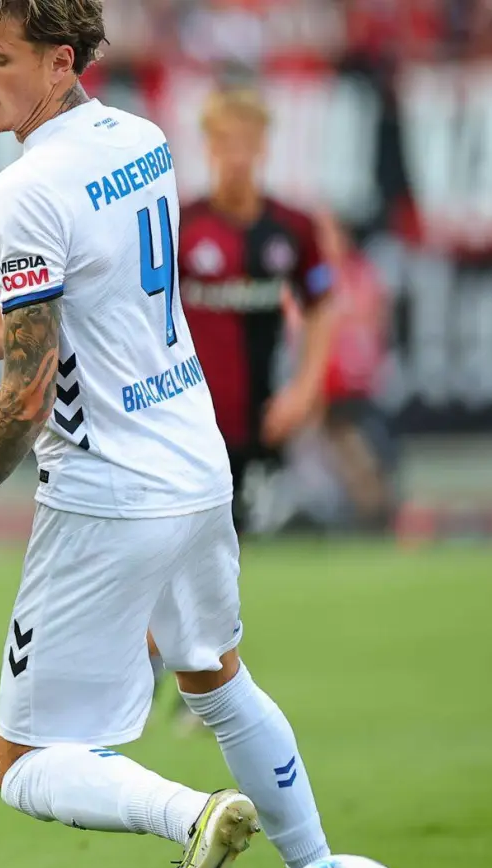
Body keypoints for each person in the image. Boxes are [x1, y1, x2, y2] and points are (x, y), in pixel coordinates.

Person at [0, 2, 332, 868]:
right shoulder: (141, 140)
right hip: (195, 469)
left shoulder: (27, 188)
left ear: (61, 62)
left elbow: (27, 385)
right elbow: (51, 313)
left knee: (26, 762)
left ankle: (194, 816)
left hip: (107, 494)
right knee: (219, 682)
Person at [177, 84, 337, 536]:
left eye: (246, 143)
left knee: (259, 548)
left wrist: (304, 390)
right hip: (192, 425)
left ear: (264, 146)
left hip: (265, 422)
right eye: (225, 142)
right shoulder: (180, 225)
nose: (236, 157)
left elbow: (322, 306)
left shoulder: (294, 228)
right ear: (207, 146)